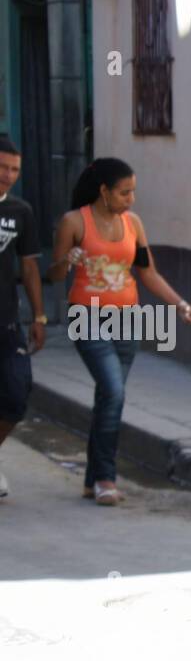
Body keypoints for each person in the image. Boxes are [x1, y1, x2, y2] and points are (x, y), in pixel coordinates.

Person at [50, 158, 191, 505]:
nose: (131, 199)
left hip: (128, 320)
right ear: (104, 191)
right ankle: (106, 477)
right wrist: (66, 261)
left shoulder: (133, 223)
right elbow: (55, 274)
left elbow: (148, 273)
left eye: (133, 192)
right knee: (113, 391)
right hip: (87, 317)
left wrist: (180, 305)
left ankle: (93, 478)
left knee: (110, 397)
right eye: (124, 192)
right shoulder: (74, 222)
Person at [0, 135, 46, 501]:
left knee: (16, 396)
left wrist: (39, 316)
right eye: (2, 167)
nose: (8, 175)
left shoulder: (21, 211)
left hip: (7, 322)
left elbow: (29, 267)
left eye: (14, 169)